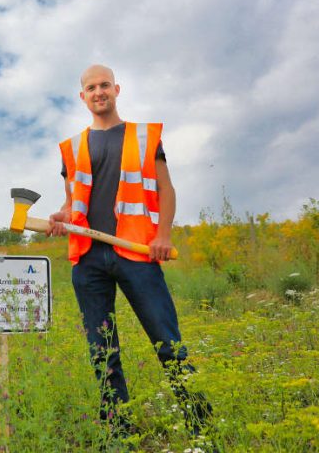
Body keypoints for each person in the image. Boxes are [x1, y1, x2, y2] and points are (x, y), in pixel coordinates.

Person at [48, 65, 211, 436]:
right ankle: (119, 431)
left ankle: (201, 423)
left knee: (167, 342)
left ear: (117, 89)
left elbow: (166, 189)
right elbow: (72, 200)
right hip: (88, 259)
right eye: (91, 87)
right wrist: (60, 215)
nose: (98, 92)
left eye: (104, 85)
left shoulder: (142, 136)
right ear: (82, 96)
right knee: (102, 351)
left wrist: (164, 235)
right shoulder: (72, 147)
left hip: (137, 253)